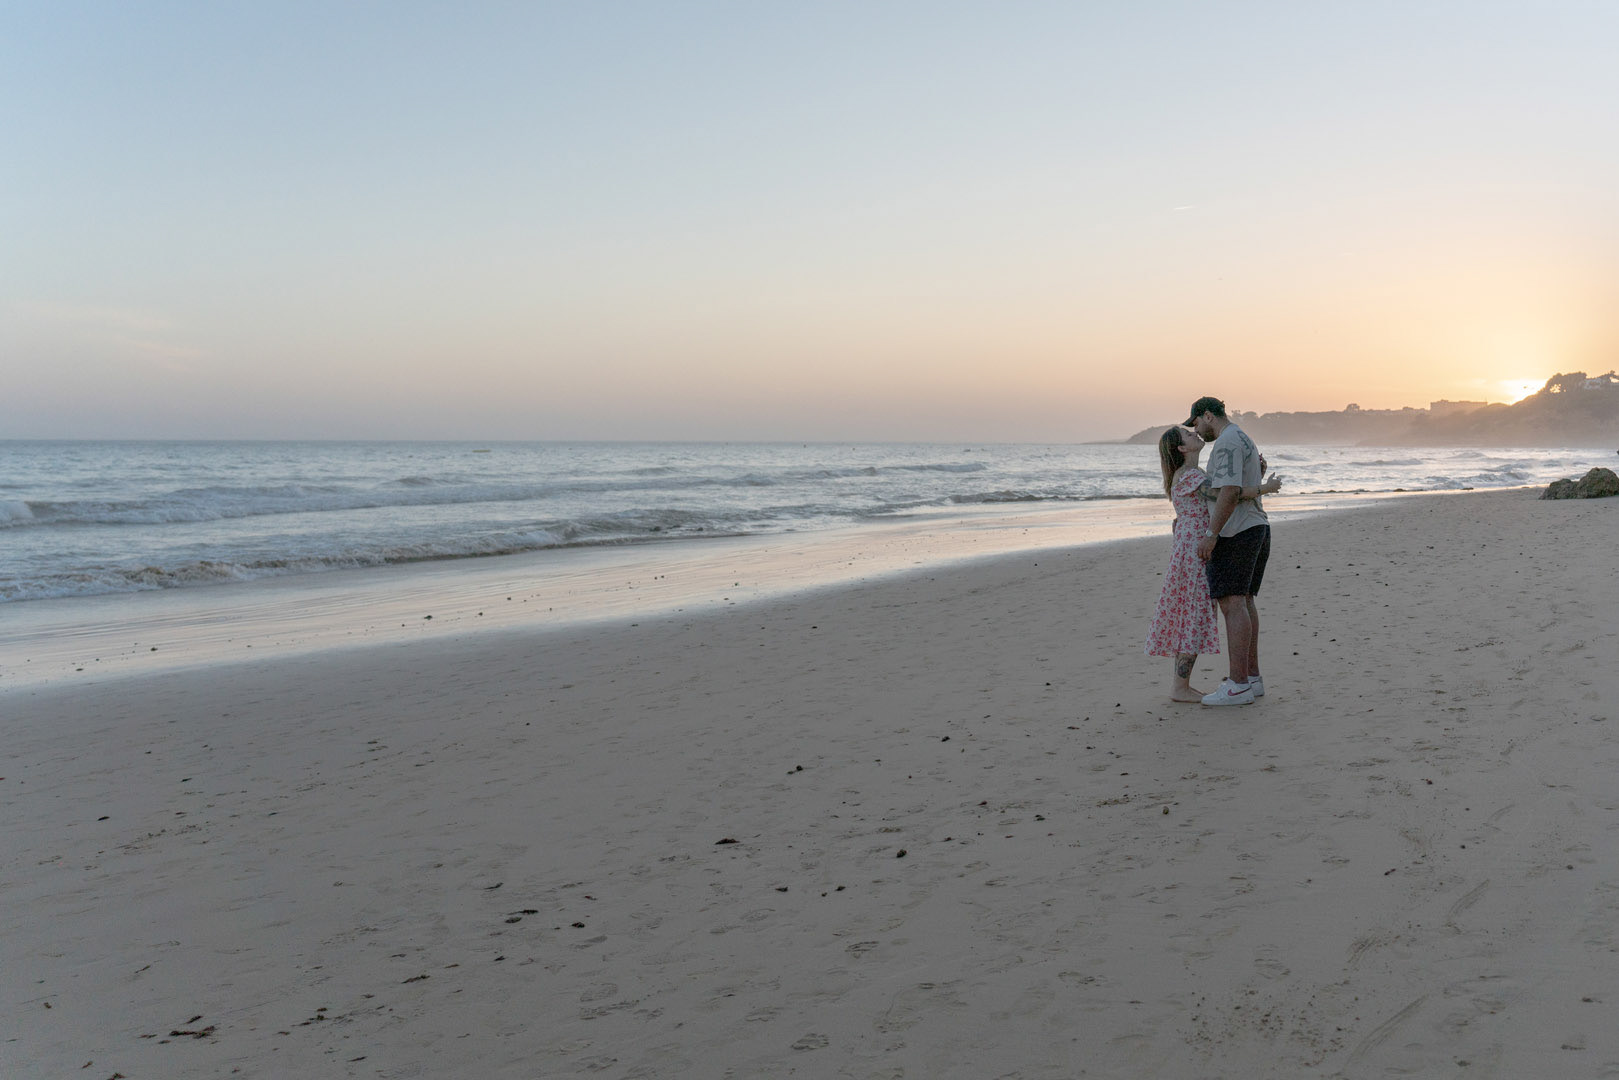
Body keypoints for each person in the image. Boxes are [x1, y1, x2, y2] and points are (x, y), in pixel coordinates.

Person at [1145, 425, 1279, 702]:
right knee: (1193, 613)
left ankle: (1181, 686)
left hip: (1191, 547)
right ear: (1182, 449)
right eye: (1187, 435)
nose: (1195, 434)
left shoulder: (1191, 475)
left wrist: (1257, 473)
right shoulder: (1190, 476)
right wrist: (1265, 487)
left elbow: (1222, 493)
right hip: (1195, 550)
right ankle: (1180, 688)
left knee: (1194, 612)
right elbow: (1224, 495)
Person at [1187, 396, 1272, 705]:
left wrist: (1212, 534)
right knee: (1245, 601)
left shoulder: (1226, 442)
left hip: (1236, 530)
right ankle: (1252, 679)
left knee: (1232, 604)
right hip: (1256, 526)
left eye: (1195, 422)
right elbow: (1244, 482)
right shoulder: (1242, 437)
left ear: (1208, 415)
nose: (1196, 430)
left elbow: (1229, 492)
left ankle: (1237, 684)